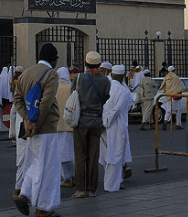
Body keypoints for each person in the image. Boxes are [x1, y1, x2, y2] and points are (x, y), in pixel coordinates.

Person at [12, 43, 62, 217]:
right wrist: (36, 124)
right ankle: (42, 209)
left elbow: (16, 99)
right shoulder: (51, 74)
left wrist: (27, 120)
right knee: (49, 169)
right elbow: (46, 103)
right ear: (54, 59)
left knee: (34, 164)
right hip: (45, 128)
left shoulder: (26, 73)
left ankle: (24, 195)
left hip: (30, 129)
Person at [71, 50, 110, 199]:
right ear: (99, 65)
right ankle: (91, 189)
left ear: (86, 63)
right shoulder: (105, 81)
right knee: (93, 156)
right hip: (96, 121)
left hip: (80, 121)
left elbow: (72, 96)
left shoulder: (79, 77)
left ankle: (80, 189)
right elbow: (105, 98)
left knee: (80, 156)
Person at [100, 64, 134, 192]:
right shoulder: (123, 90)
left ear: (112, 75)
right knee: (116, 155)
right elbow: (119, 108)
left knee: (106, 153)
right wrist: (108, 120)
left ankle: (112, 181)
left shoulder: (106, 85)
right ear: (123, 76)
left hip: (104, 124)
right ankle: (112, 185)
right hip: (116, 125)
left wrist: (103, 120)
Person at [55, 66, 75, 187]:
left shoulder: (54, 88)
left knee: (61, 153)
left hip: (57, 124)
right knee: (72, 152)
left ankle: (67, 178)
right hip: (71, 123)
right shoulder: (72, 87)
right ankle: (76, 175)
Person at [159, 65, 185, 130]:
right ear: (174, 70)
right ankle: (178, 124)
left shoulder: (166, 77)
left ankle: (165, 120)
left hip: (168, 96)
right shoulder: (175, 77)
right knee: (178, 110)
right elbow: (180, 86)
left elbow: (163, 86)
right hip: (175, 96)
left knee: (168, 110)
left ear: (168, 71)